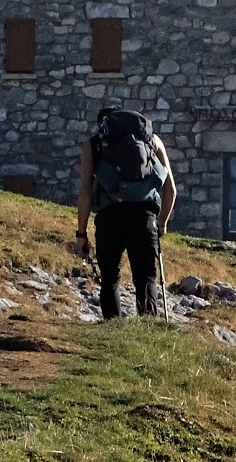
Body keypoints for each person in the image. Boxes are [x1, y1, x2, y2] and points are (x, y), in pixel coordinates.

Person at [71, 106, 177, 318]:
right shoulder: (152, 141)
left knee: (109, 278)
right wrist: (162, 222)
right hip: (144, 216)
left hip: (109, 217)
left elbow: (85, 192)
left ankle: (113, 329)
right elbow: (171, 189)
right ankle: (148, 329)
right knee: (146, 277)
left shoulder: (94, 145)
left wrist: (81, 233)